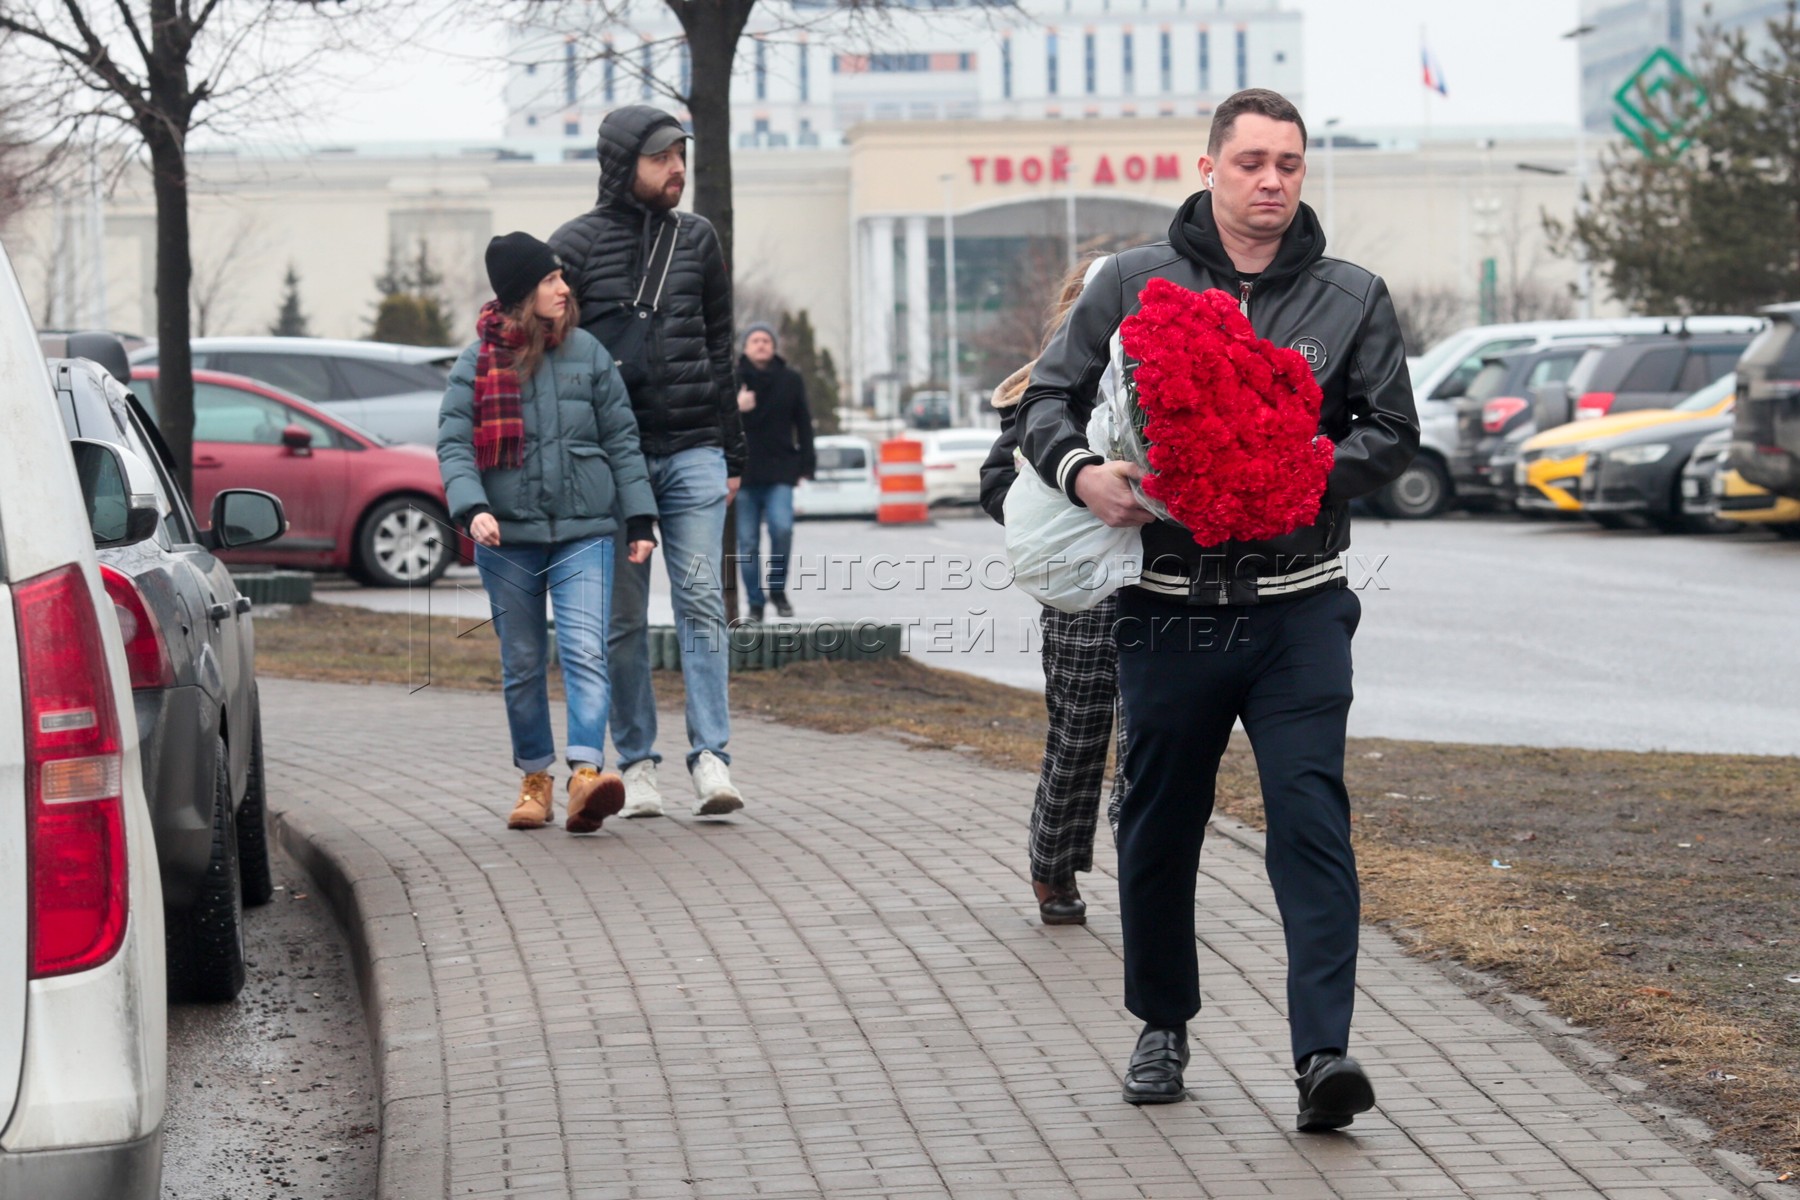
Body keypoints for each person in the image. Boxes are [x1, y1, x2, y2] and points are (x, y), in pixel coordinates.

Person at [1015, 88, 1418, 1125]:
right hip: (1171, 607)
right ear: (1209, 168)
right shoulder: (1130, 282)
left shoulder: (1353, 295)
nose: (1271, 181)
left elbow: (1392, 432)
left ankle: (1323, 1054)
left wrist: (1298, 467)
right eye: (1251, 162)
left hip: (1299, 608)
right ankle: (1162, 1025)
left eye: (1288, 163)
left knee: (1311, 820)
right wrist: (1080, 475)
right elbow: (1046, 404)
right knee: (1160, 824)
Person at [550, 105, 749, 820]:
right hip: (613, 464)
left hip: (695, 448)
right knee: (621, 621)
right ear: (621, 163)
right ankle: (637, 765)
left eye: (682, 154)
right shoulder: (569, 246)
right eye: (662, 156)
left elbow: (720, 348)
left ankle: (713, 760)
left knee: (701, 602)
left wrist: (733, 451)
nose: (678, 168)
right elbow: (550, 360)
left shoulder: (698, 240)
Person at [438, 232, 659, 834]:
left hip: (586, 530)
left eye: (563, 278)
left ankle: (586, 775)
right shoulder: (475, 363)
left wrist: (639, 517)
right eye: (550, 280)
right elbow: (455, 444)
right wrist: (472, 505)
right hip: (507, 537)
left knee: (586, 649)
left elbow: (622, 441)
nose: (564, 288)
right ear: (519, 293)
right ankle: (535, 778)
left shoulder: (588, 354)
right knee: (524, 662)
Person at [978, 254, 1126, 928]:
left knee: (1157, 736)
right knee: (1081, 731)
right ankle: (1052, 865)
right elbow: (994, 483)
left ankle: (1152, 869)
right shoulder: (1045, 388)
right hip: (1078, 588)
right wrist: (1061, 505)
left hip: (1157, 581)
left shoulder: (1154, 376)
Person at [734, 322, 816, 621]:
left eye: (766, 340)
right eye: (754, 340)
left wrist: (807, 463)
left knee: (782, 529)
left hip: (781, 469)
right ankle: (755, 603)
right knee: (747, 543)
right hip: (743, 473)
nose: (760, 345)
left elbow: (804, 423)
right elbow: (716, 421)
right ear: (744, 347)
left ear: (774, 346)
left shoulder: (790, 379)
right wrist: (736, 408)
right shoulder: (733, 379)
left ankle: (778, 591)